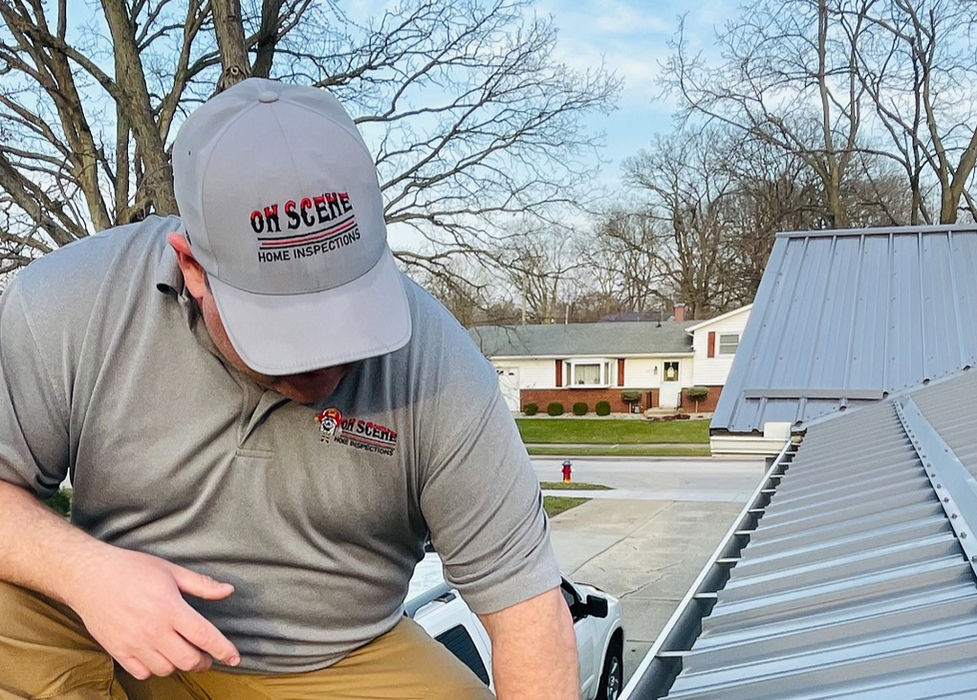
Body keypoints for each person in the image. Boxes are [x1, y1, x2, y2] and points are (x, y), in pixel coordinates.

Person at [0, 78, 577, 699]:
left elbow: (527, 612)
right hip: (114, 641)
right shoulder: (66, 304)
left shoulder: (442, 368)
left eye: (348, 314)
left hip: (338, 662)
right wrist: (84, 571)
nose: (321, 366)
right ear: (191, 267)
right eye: (282, 329)